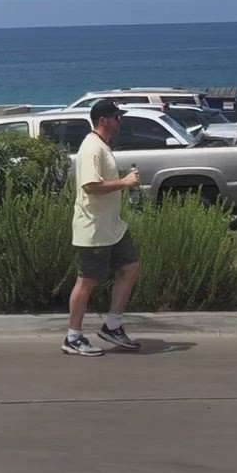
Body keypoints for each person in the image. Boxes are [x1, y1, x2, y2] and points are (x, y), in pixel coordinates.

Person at [64, 99, 142, 356]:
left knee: (130, 267)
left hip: (112, 226)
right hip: (94, 227)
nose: (120, 121)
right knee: (87, 280)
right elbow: (90, 186)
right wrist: (124, 182)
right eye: (117, 117)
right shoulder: (91, 149)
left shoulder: (103, 146)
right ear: (103, 120)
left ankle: (113, 326)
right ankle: (73, 337)